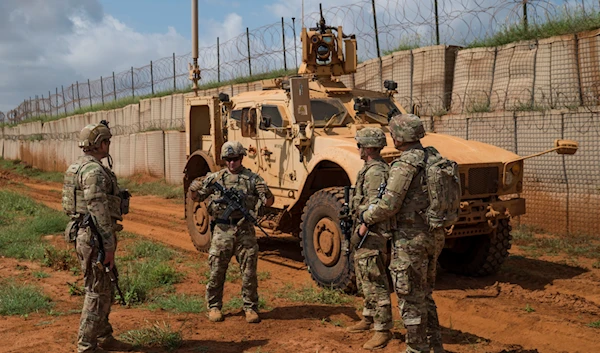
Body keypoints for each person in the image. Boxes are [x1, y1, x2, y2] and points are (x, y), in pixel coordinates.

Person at [357, 114, 444, 353]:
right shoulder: (434, 157)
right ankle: (435, 346)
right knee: (425, 294)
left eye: (393, 133)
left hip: (410, 239)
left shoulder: (406, 164)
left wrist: (366, 217)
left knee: (409, 297)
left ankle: (416, 349)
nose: (391, 137)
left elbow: (388, 204)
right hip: (434, 234)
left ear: (401, 137)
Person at [62, 121, 132, 353]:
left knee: (105, 287)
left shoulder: (78, 166)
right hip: (94, 237)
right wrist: (108, 245)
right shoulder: (93, 171)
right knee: (96, 290)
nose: (109, 145)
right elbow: (97, 208)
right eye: (107, 141)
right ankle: (86, 346)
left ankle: (104, 336)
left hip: (88, 234)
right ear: (100, 143)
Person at [189, 141, 274, 324]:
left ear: (241, 158)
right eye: (228, 160)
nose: (231, 163)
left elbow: (269, 202)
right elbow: (197, 197)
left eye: (234, 159)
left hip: (245, 230)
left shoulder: (252, 179)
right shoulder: (216, 178)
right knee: (217, 271)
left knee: (249, 272)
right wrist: (194, 188)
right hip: (222, 230)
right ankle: (214, 306)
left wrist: (265, 193)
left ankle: (250, 308)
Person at [345, 127, 394, 350]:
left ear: (369, 147)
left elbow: (376, 207)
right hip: (366, 230)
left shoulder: (376, 172)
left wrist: (361, 230)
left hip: (373, 233)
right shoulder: (370, 169)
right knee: (365, 275)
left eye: (360, 145)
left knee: (375, 279)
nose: (359, 149)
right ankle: (368, 316)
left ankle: (382, 329)